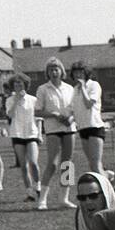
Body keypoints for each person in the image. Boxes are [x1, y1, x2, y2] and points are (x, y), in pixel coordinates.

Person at [34, 59, 76, 210]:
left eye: (56, 69)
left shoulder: (69, 88)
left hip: (69, 128)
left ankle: (64, 198)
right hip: (53, 129)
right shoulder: (43, 89)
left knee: (67, 164)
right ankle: (42, 199)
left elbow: (75, 108)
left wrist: (70, 118)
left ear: (61, 71)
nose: (54, 72)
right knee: (52, 163)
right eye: (51, 70)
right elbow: (37, 111)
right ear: (47, 73)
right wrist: (54, 114)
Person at [6, 72, 41, 203]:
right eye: (16, 84)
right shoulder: (9, 100)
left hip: (31, 134)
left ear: (25, 85)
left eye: (20, 84)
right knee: (23, 165)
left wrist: (40, 134)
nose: (18, 86)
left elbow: (38, 118)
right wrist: (16, 100)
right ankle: (29, 193)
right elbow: (10, 115)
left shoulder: (33, 100)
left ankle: (38, 187)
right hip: (17, 134)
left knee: (33, 162)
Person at [70, 62, 106, 174]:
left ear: (86, 73)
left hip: (95, 127)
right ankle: (111, 177)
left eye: (80, 72)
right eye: (75, 73)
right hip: (83, 128)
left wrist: (83, 88)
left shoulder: (94, 85)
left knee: (96, 164)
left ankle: (107, 184)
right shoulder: (74, 89)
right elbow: (74, 109)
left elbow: (88, 104)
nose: (78, 75)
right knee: (92, 164)